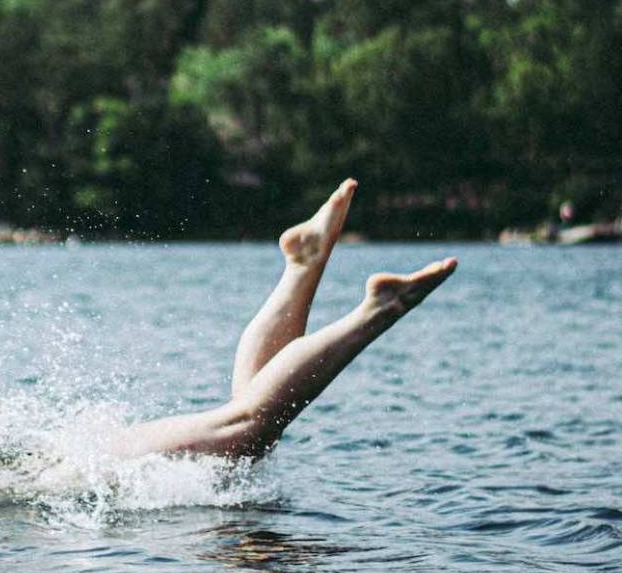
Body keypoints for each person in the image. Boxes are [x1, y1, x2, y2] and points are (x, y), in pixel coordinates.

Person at [109, 179, 457, 460]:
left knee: (244, 429)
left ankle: (380, 309)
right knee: (244, 428)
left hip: (71, 467)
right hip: (70, 461)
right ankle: (304, 265)